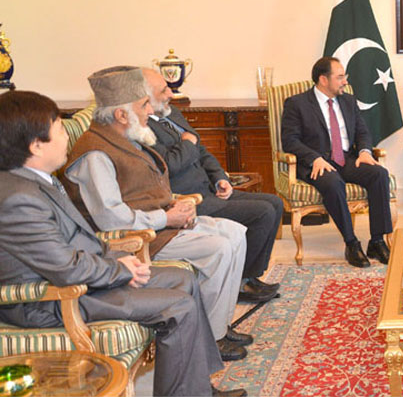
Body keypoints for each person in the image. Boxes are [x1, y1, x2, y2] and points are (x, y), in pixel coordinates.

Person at [0, 90, 246, 397]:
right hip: (48, 301)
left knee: (183, 278)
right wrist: (119, 269)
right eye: (60, 130)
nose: (66, 137)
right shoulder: (18, 198)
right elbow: (63, 268)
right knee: (177, 306)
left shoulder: (35, 180)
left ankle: (197, 388)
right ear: (36, 145)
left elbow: (73, 244)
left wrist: (117, 262)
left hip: (82, 279)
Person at [62, 66, 252, 362]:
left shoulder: (126, 138)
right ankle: (212, 340)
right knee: (220, 248)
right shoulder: (95, 154)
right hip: (136, 239)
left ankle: (219, 328)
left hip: (163, 223)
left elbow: (146, 189)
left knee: (235, 232)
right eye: (143, 105)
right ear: (121, 115)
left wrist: (179, 206)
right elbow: (112, 219)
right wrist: (167, 218)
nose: (150, 110)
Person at [142, 68, 281, 303]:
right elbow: (170, 165)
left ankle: (247, 277)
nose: (170, 94)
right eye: (164, 90)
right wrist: (188, 142)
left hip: (210, 188)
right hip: (188, 199)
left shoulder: (172, 113)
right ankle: (239, 282)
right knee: (263, 212)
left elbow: (203, 151)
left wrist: (220, 178)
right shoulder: (142, 130)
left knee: (275, 203)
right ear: (146, 96)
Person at [280, 57, 393, 268]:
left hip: (346, 158)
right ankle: (351, 243)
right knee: (333, 183)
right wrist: (314, 158)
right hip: (317, 162)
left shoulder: (349, 101)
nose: (345, 81)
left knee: (379, 174)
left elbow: (362, 132)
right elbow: (289, 141)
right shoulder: (297, 104)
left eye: (345, 76)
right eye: (340, 77)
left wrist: (366, 152)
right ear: (323, 79)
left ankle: (377, 241)